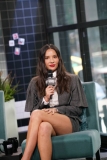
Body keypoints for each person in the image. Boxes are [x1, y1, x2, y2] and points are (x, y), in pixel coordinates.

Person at [21, 44, 88, 160]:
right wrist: (45, 99)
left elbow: (78, 109)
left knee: (38, 113)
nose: (51, 61)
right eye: (47, 58)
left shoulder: (72, 79)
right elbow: (32, 114)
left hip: (68, 121)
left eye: (54, 57)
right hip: (47, 122)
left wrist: (56, 110)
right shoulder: (34, 83)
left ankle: (25, 158)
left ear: (59, 59)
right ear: (42, 61)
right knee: (43, 127)